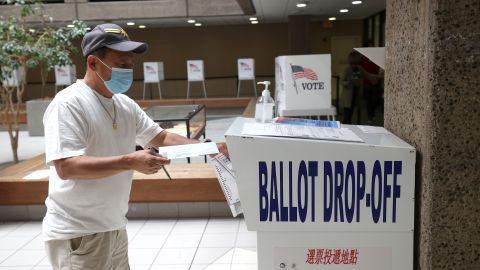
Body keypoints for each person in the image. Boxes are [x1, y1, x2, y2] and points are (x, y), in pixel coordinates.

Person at [42, 23, 228, 270]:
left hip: (114, 226)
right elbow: (67, 167)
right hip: (79, 233)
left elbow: (161, 137)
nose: (128, 71)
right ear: (93, 63)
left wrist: (209, 148)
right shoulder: (69, 104)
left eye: (130, 65)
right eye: (120, 64)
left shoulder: (124, 104)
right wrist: (130, 161)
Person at [341, 51, 382, 124]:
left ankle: (352, 128)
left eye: (356, 63)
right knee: (347, 115)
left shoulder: (359, 68)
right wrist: (349, 82)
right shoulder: (347, 68)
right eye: (353, 63)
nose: (354, 65)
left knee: (354, 113)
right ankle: (345, 129)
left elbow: (368, 75)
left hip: (356, 93)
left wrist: (380, 77)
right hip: (348, 95)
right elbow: (342, 81)